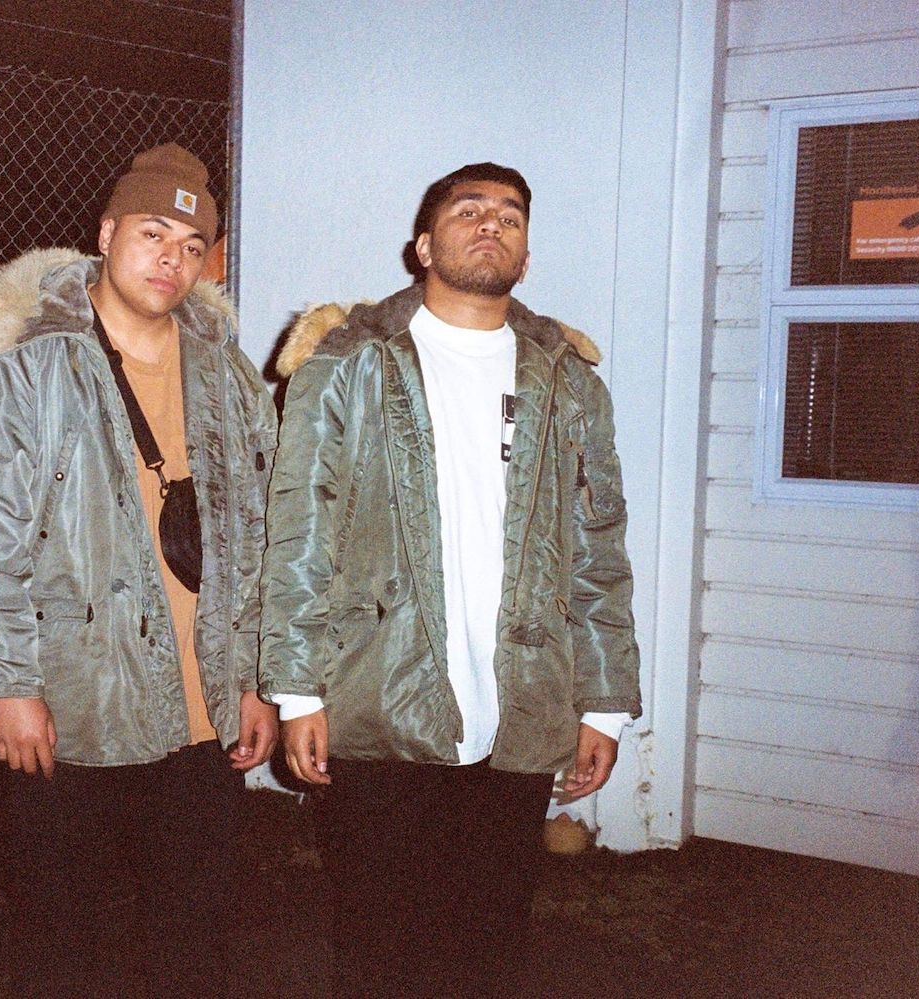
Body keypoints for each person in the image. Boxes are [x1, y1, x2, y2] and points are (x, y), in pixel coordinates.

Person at [259, 162, 642, 994]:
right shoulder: (349, 362)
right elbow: (300, 529)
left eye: (510, 215)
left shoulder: (569, 381)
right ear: (424, 247)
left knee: (490, 937)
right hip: (376, 694)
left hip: (520, 703)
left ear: (526, 256)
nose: (490, 224)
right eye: (468, 211)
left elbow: (598, 546)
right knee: (379, 940)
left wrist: (605, 704)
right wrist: (296, 692)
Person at [0, 142, 278, 996]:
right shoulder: (22, 358)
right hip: (73, 703)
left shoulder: (227, 372)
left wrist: (255, 679)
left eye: (192, 246)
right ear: (105, 233)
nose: (172, 259)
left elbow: (258, 532)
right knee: (65, 944)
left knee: (194, 940)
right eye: (153, 233)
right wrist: (6, 684)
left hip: (204, 712)